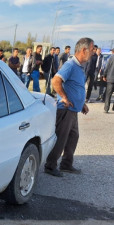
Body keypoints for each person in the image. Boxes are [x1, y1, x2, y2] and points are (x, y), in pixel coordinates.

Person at [44, 37, 94, 177]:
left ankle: (66, 164)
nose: (92, 53)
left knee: (73, 137)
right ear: (83, 50)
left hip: (73, 110)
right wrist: (64, 98)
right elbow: (56, 81)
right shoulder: (70, 65)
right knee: (61, 138)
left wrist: (81, 103)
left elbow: (76, 87)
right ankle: (50, 166)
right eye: (91, 50)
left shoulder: (79, 67)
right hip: (65, 110)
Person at [102, 48, 114, 113]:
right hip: (111, 79)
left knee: (108, 94)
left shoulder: (111, 58)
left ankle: (106, 109)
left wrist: (104, 75)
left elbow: (107, 67)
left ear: (112, 52)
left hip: (110, 79)